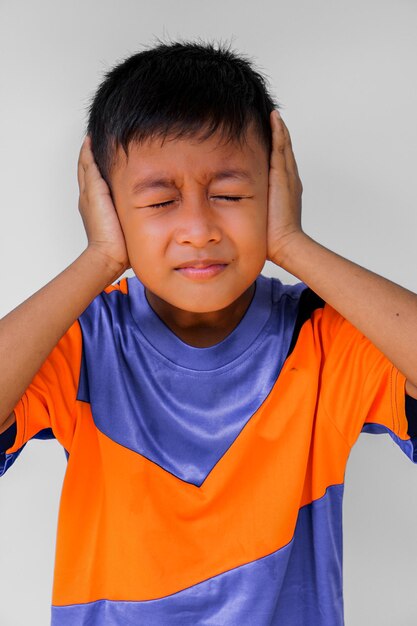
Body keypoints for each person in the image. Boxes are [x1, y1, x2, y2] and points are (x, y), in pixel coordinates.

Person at [1, 38, 417, 626]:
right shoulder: (83, 339)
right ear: (106, 205)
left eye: (229, 195)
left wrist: (294, 245)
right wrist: (97, 259)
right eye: (160, 201)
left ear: (275, 190)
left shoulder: (323, 338)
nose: (198, 228)